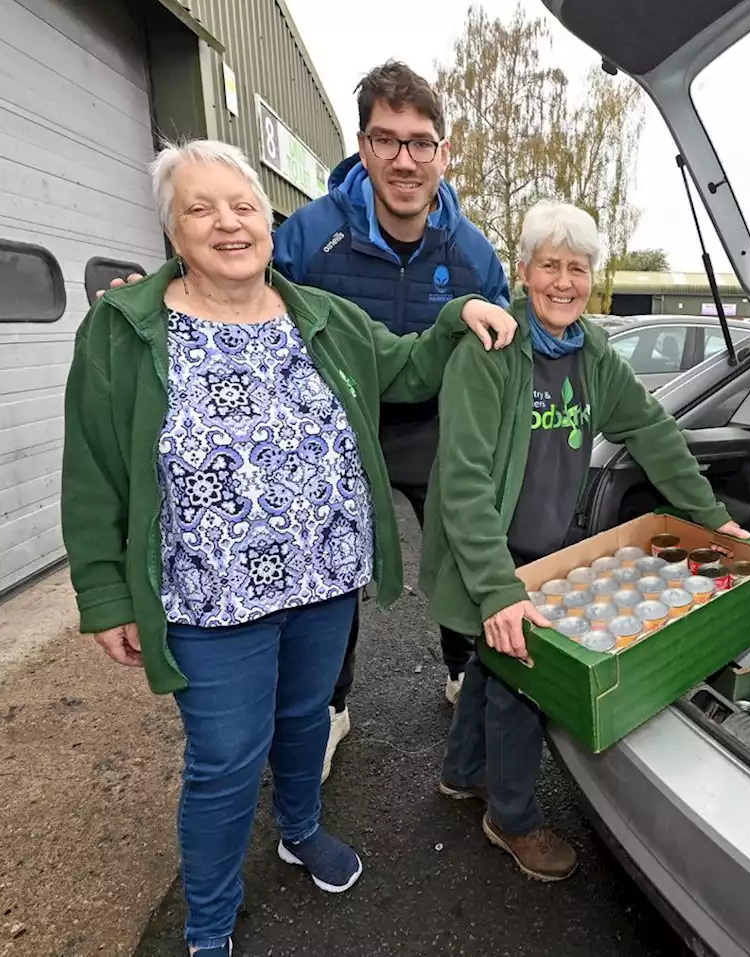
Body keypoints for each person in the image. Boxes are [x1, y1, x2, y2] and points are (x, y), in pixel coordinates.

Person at [62, 139, 515, 956]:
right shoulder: (124, 330)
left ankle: (299, 828)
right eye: (200, 209)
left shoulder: (321, 316)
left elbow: (406, 369)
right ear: (173, 229)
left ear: (266, 225)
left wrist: (455, 316)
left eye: (241, 207)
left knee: (308, 715)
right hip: (209, 594)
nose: (228, 224)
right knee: (226, 758)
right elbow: (92, 470)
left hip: (323, 576)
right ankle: (207, 919)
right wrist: (104, 592)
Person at [418, 201, 750, 881]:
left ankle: (463, 771)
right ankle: (509, 817)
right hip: (490, 553)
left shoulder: (594, 354)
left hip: (548, 552)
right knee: (522, 679)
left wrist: (712, 518)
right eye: (550, 265)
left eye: (577, 267)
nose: (564, 281)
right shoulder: (490, 352)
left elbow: (652, 431)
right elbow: (462, 483)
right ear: (525, 269)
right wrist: (498, 587)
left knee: (492, 664)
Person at [272, 60, 510, 777]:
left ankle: (463, 670)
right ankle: (330, 706)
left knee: (462, 544)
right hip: (339, 430)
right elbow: (237, 289)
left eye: (420, 142)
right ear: (363, 145)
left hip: (433, 426)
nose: (405, 159)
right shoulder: (311, 237)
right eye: (387, 140)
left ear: (443, 150)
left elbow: (506, 345)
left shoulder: (471, 252)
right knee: (332, 570)